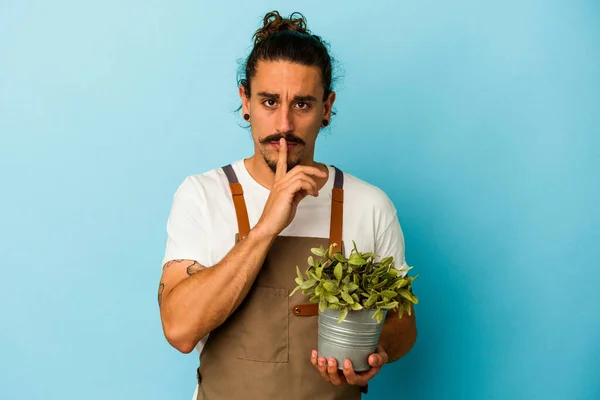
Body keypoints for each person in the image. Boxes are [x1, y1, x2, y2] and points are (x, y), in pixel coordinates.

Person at [158, 10, 417, 400]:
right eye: (268, 101)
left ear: (327, 107)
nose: (283, 124)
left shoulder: (370, 205)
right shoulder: (202, 195)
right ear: (245, 101)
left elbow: (403, 324)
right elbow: (179, 330)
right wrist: (267, 226)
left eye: (302, 104)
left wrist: (379, 350)